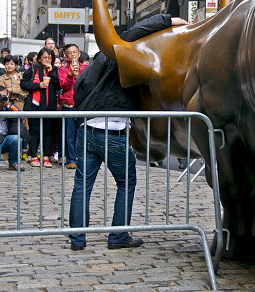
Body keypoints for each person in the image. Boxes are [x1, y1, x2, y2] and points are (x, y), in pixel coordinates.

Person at [68, 14, 189, 251]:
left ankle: (77, 239)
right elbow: (135, 31)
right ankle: (118, 236)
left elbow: (78, 94)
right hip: (112, 133)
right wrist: (169, 20)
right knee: (126, 182)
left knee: (82, 185)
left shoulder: (94, 65)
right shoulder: (119, 54)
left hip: (86, 132)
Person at [20, 47, 60, 168]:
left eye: (49, 57)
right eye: (44, 57)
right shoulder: (33, 69)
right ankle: (33, 156)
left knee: (47, 132)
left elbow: (59, 85)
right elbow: (24, 84)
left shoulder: (55, 70)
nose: (47, 59)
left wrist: (52, 72)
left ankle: (46, 157)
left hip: (49, 105)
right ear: (39, 58)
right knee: (34, 131)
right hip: (34, 104)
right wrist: (38, 85)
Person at [58, 43, 86, 169]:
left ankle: (82, 158)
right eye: (69, 53)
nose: (72, 55)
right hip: (68, 104)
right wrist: (70, 74)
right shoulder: (62, 69)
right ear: (65, 55)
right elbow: (63, 86)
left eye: (74, 52)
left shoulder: (86, 68)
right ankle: (71, 159)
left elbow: (87, 85)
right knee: (69, 134)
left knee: (82, 133)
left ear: (79, 54)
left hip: (82, 104)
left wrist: (77, 76)